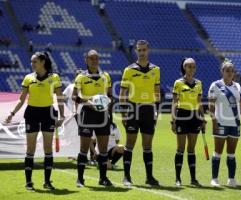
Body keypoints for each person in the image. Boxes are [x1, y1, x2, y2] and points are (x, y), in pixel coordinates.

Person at [5, 52, 64, 190]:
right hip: (32, 114)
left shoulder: (54, 77)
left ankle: (47, 182)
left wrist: (61, 116)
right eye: (32, 62)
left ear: (43, 62)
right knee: (30, 149)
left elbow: (60, 98)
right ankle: (28, 182)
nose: (32, 64)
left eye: (34, 61)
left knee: (47, 149)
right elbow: (21, 99)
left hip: (48, 114)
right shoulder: (28, 78)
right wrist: (12, 113)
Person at [119, 40, 160, 186]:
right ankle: (126, 177)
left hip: (148, 109)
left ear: (148, 50)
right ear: (136, 51)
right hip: (132, 109)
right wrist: (124, 112)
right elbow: (122, 93)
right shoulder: (129, 70)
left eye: (144, 50)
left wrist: (157, 112)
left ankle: (149, 177)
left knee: (147, 145)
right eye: (139, 50)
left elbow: (157, 93)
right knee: (130, 143)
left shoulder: (156, 70)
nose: (141, 52)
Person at [72, 50, 113, 187]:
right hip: (87, 113)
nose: (94, 60)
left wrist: (106, 106)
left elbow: (110, 96)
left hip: (102, 115)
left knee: (103, 149)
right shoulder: (81, 77)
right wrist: (88, 102)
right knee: (84, 148)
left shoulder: (105, 76)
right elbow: (74, 96)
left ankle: (103, 178)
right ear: (86, 60)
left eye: (96, 58)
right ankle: (80, 179)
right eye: (91, 58)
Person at [208, 59, 241, 187]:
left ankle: (231, 179)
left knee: (231, 153)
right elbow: (211, 106)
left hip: (235, 124)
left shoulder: (238, 86)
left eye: (232, 71)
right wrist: (214, 123)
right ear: (222, 72)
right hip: (220, 123)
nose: (230, 73)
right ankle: (214, 179)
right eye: (227, 71)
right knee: (218, 152)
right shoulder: (215, 85)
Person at [171, 58, 206, 187]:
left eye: (193, 66)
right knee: (180, 148)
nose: (191, 69)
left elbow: (199, 103)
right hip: (182, 116)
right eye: (189, 66)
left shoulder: (199, 83)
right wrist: (173, 120)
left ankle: (193, 179)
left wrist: (203, 119)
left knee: (191, 149)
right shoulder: (178, 83)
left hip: (195, 116)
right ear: (184, 68)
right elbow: (174, 103)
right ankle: (178, 178)